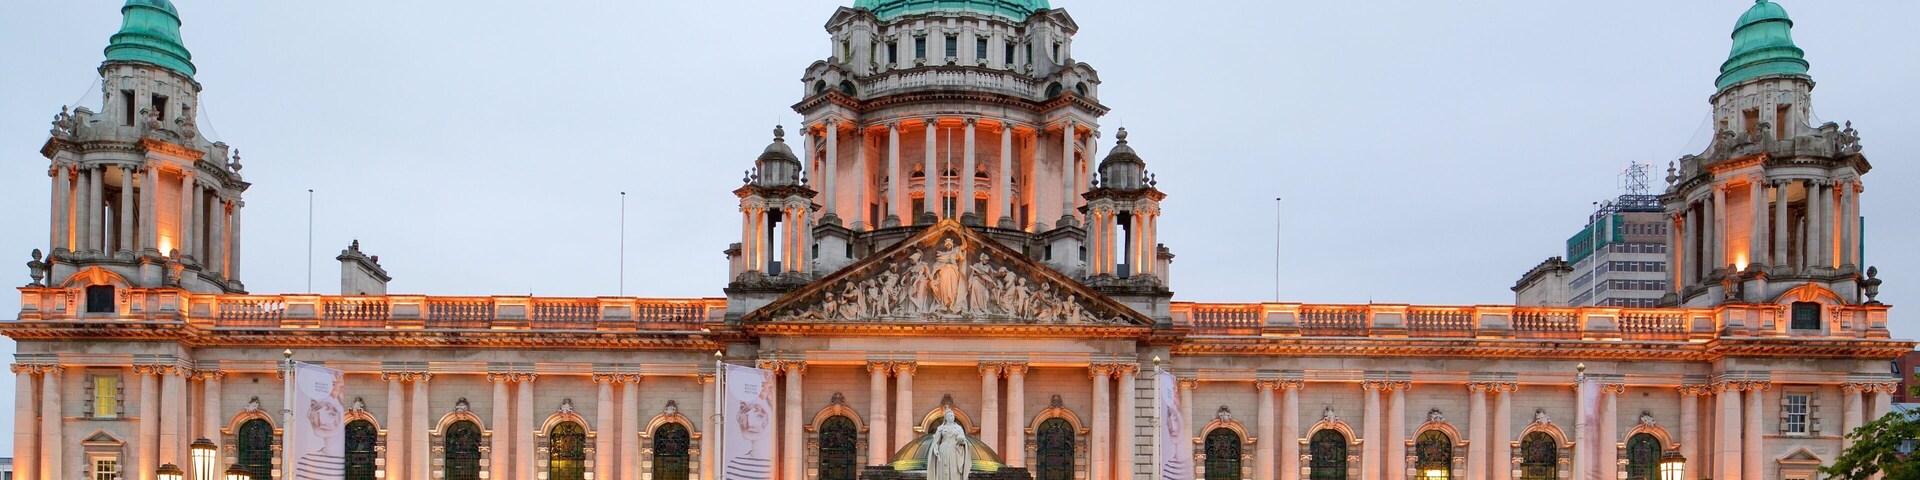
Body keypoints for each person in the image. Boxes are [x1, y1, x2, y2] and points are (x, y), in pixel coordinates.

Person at [293, 368, 346, 479]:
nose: (320, 421)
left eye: (331, 413)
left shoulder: (347, 463)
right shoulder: (306, 461)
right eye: (314, 405)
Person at [724, 369, 776, 480]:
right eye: (744, 409)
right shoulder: (735, 464)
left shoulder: (777, 466)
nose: (748, 423)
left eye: (759, 415)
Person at [926, 407, 971, 480]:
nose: (952, 417)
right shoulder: (940, 428)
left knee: (954, 470)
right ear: (946, 417)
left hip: (954, 451)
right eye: (950, 416)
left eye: (953, 416)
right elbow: (936, 441)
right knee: (943, 470)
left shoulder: (958, 428)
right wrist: (935, 449)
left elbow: (963, 439)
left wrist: (962, 441)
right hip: (943, 450)